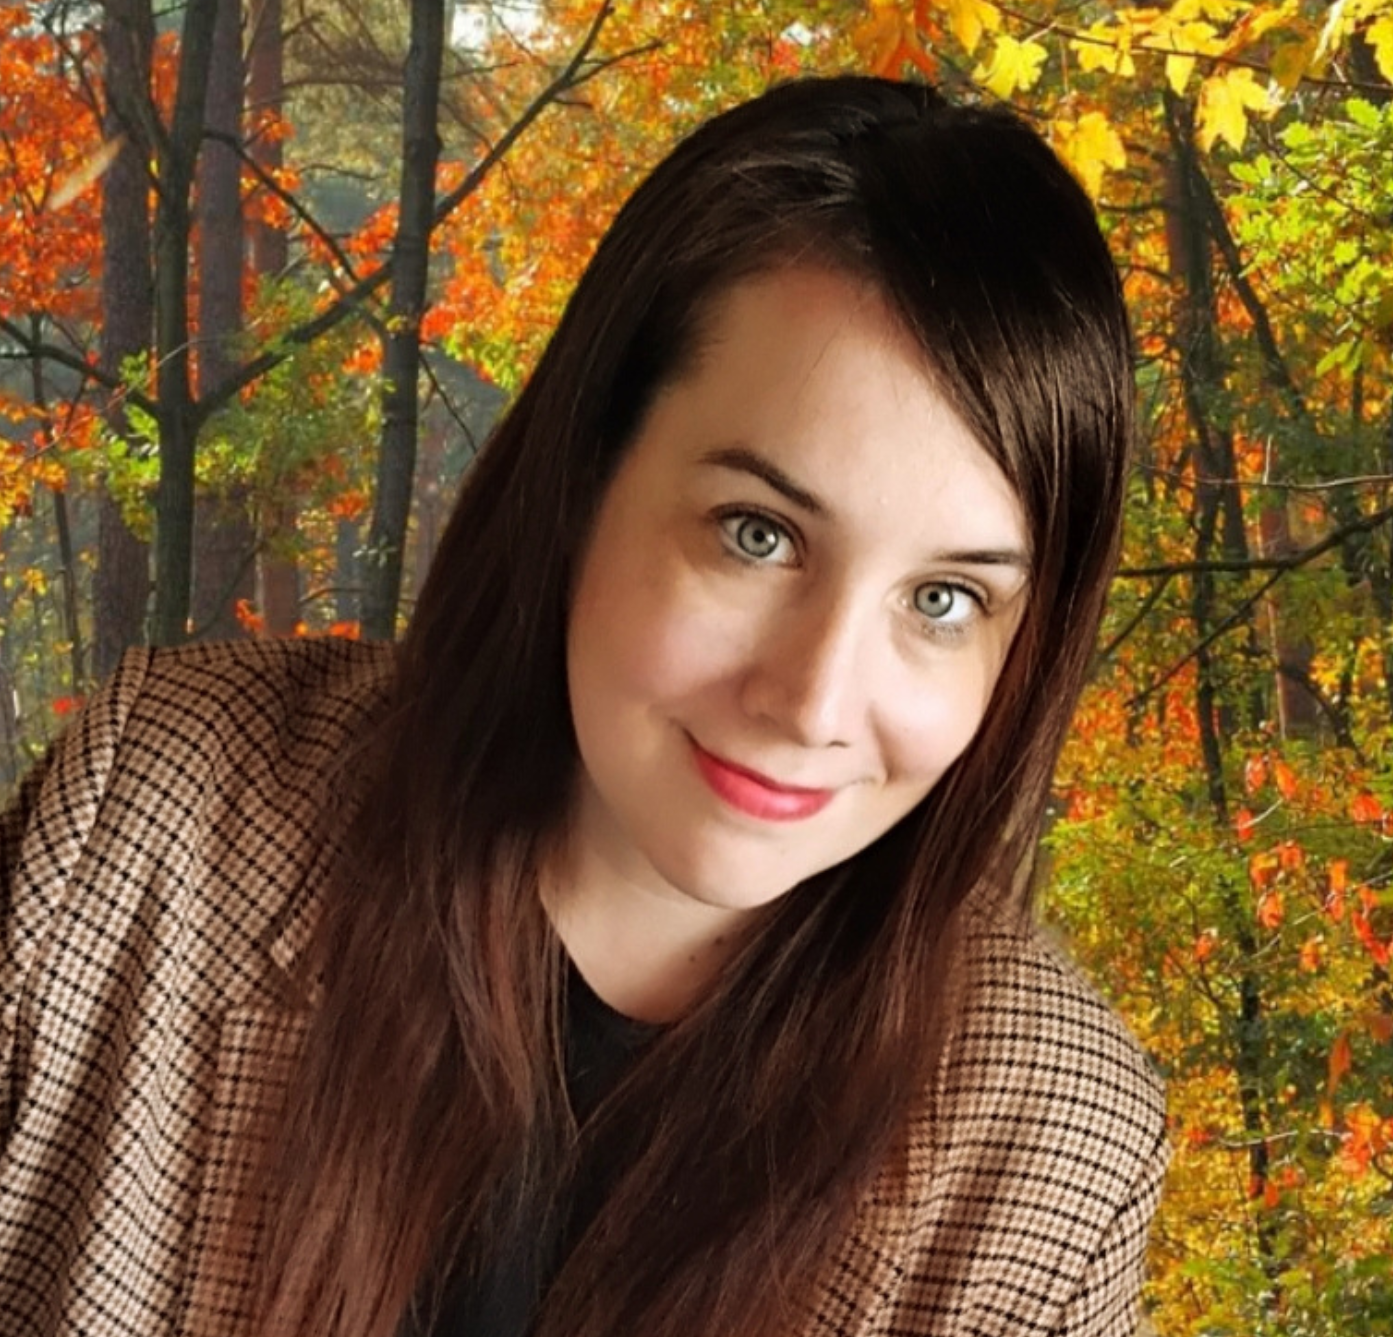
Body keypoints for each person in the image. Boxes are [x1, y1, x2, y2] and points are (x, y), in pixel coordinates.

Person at [0, 75, 1167, 1337]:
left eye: (942, 600)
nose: (814, 701)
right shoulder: (155, 813)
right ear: (582, 477)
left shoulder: (1050, 1143)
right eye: (757, 532)